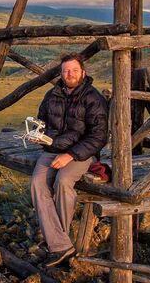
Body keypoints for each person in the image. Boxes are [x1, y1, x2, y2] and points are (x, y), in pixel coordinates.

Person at [30, 53, 109, 267]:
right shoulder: (52, 95)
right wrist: (38, 134)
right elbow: (42, 121)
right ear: (61, 73)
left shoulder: (93, 98)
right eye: (66, 70)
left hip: (80, 153)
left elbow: (99, 136)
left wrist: (70, 155)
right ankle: (62, 245)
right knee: (37, 184)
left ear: (83, 72)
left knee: (63, 182)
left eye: (74, 70)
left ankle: (57, 245)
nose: (69, 74)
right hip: (52, 149)